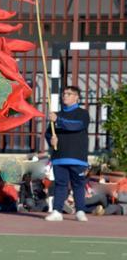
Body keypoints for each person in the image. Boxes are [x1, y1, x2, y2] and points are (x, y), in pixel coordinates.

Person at [46, 86, 90, 223]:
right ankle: (57, 211)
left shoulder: (82, 114)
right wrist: (51, 140)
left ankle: (80, 211)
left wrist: (58, 120)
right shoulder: (56, 115)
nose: (65, 96)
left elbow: (76, 125)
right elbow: (48, 133)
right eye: (64, 94)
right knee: (60, 184)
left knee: (78, 184)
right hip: (59, 157)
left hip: (77, 157)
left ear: (76, 97)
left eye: (69, 94)